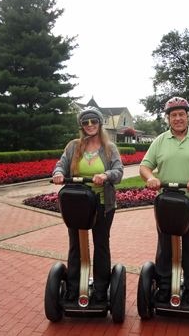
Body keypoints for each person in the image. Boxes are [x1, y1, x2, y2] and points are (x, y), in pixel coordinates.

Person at [139, 97, 189, 305]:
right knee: (165, 248)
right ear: (168, 118)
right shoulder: (160, 141)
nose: (177, 118)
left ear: (187, 116)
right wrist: (151, 178)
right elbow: (144, 166)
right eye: (173, 115)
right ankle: (164, 286)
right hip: (167, 205)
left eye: (181, 114)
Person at [53, 107, 124, 302]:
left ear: (100, 123)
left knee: (101, 245)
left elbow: (118, 172)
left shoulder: (110, 148)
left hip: (102, 205)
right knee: (75, 246)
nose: (90, 125)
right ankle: (73, 288)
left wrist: (105, 175)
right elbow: (61, 164)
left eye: (93, 121)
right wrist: (58, 174)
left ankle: (101, 289)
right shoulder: (73, 147)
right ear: (81, 126)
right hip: (78, 204)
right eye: (86, 122)